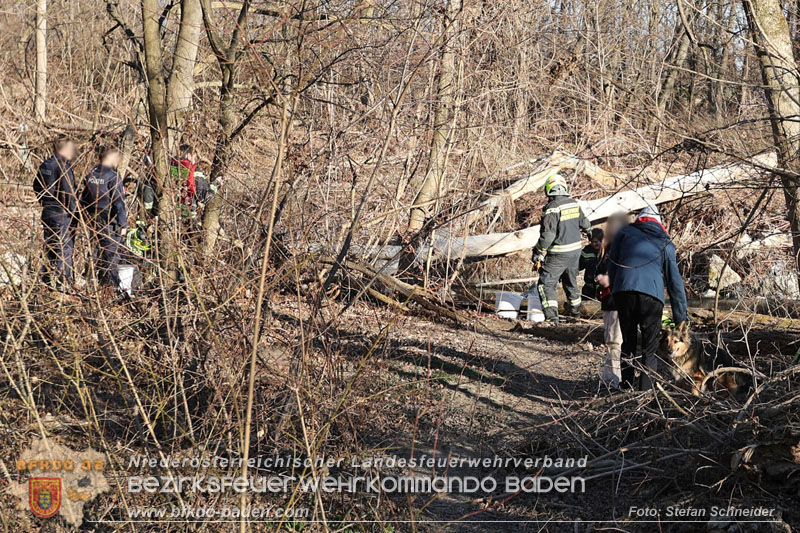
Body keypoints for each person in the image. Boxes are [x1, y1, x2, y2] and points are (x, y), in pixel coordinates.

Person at [607, 205, 689, 390]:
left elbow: (612, 265)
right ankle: (644, 394)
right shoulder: (664, 240)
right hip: (652, 296)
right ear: (659, 223)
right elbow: (674, 283)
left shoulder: (624, 233)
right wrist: (681, 319)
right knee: (649, 349)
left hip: (624, 291)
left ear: (639, 219)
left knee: (628, 343)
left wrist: (614, 292)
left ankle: (626, 388)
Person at [531, 173, 592, 323]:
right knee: (571, 283)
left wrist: (538, 251)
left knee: (545, 285)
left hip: (558, 254)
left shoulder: (552, 208)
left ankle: (552, 320)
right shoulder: (573, 203)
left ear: (548, 189)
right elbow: (585, 224)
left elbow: (548, 236)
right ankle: (575, 316)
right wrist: (591, 234)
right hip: (575, 253)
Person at [34, 137, 78, 288]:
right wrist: (74, 213)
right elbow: (68, 192)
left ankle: (45, 279)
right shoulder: (63, 166)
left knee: (50, 245)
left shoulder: (45, 164)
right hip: (60, 213)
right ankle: (63, 284)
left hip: (47, 211)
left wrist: (43, 201)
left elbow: (36, 185)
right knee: (64, 248)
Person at [80, 145, 127, 289]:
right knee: (111, 254)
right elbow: (119, 202)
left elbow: (83, 198)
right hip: (108, 221)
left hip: (92, 219)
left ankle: (89, 282)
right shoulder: (113, 176)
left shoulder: (91, 174)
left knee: (94, 251)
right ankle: (110, 286)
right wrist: (123, 224)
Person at [594, 214, 629, 388]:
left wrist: (608, 279)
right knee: (614, 341)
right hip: (612, 300)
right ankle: (614, 377)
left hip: (615, 301)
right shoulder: (610, 248)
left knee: (614, 341)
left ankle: (613, 379)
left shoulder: (620, 248)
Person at [579, 228, 604, 300]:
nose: (593, 244)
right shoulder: (586, 251)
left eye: (596, 242)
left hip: (604, 289)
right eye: (592, 242)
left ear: (602, 240)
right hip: (588, 289)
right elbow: (579, 266)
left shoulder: (609, 251)